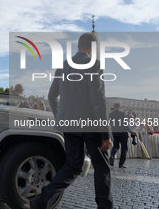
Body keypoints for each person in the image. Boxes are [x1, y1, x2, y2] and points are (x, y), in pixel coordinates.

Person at [30, 33, 113, 209]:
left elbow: (52, 96)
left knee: (73, 165)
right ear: (93, 48)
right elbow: (97, 99)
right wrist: (105, 133)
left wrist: (59, 116)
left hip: (69, 124)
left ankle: (42, 200)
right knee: (102, 167)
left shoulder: (64, 65)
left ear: (78, 46)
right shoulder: (94, 64)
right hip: (91, 125)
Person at [109, 103, 136, 168]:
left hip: (114, 132)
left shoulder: (110, 114)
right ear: (120, 107)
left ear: (114, 107)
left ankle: (112, 155)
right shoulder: (122, 114)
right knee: (124, 148)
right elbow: (124, 123)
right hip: (122, 133)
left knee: (115, 146)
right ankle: (121, 164)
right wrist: (130, 131)